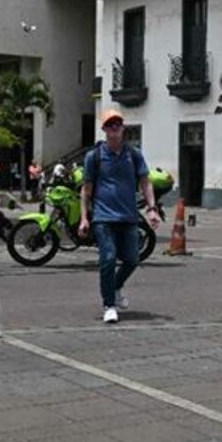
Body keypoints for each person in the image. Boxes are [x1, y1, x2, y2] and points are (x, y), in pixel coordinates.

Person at [78, 109, 162, 323]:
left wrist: (152, 209)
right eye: (110, 125)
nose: (114, 128)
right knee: (108, 258)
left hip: (129, 217)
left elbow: (145, 182)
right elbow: (86, 190)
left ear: (123, 128)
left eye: (118, 124)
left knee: (132, 259)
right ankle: (109, 305)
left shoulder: (133, 155)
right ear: (104, 129)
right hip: (103, 218)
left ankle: (114, 288)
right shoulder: (94, 157)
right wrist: (84, 218)